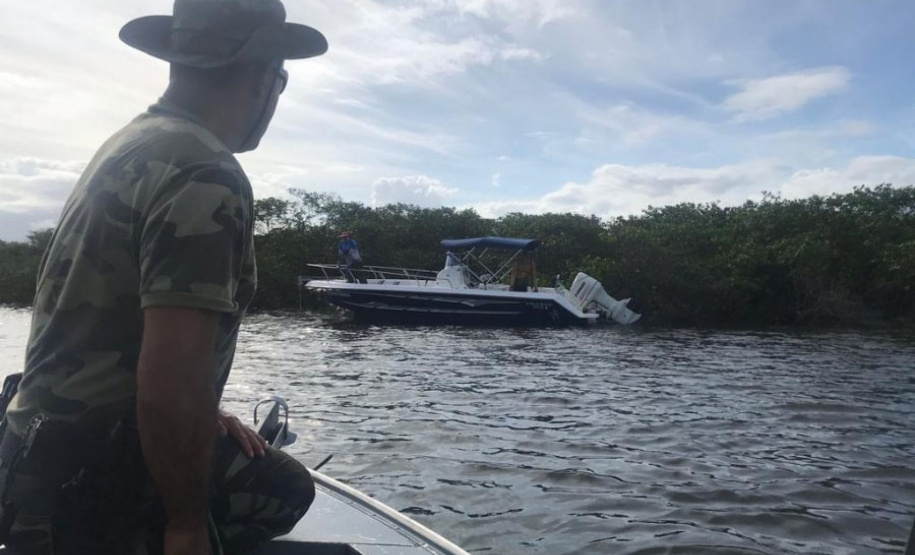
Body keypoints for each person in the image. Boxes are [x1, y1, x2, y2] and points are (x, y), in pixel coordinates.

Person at [0, 1, 327, 553]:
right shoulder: (207, 173)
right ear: (266, 76)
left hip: (28, 449)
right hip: (91, 472)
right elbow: (171, 382)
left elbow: (115, 329)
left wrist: (206, 412)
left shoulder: (135, 143)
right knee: (282, 487)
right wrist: (184, 525)